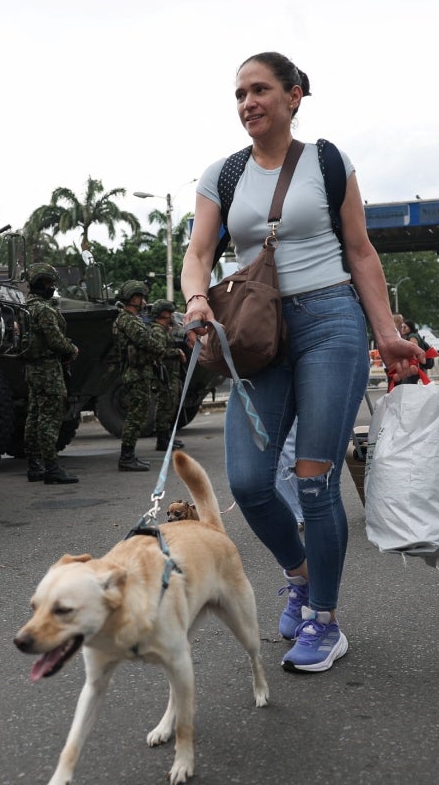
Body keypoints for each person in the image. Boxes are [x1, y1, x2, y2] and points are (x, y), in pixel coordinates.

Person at [180, 51, 422, 674]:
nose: (247, 103)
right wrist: (198, 301)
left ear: (294, 96)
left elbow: (361, 252)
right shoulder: (223, 174)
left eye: (260, 90)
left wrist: (387, 332)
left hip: (330, 323)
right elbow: (199, 251)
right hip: (257, 330)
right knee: (251, 482)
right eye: (239, 94)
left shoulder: (328, 162)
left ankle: (325, 621)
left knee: (314, 481)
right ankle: (301, 576)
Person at [23, 263, 80, 484]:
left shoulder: (25, 307)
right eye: (49, 283)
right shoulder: (44, 310)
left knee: (35, 416)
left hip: (32, 368)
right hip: (48, 369)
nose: (52, 287)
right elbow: (55, 340)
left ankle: (34, 466)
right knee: (49, 419)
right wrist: (71, 348)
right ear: (40, 284)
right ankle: (51, 468)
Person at [113, 280, 162, 472]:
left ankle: (129, 456)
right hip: (136, 374)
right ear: (134, 298)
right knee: (135, 416)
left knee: (137, 415)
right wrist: (160, 349)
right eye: (141, 297)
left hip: (139, 372)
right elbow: (144, 341)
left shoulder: (128, 319)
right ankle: (126, 457)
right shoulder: (128, 320)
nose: (144, 301)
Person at [149, 299, 186, 452]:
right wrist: (177, 352)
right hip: (165, 376)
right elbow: (159, 351)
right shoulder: (157, 331)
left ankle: (166, 437)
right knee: (165, 407)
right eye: (169, 313)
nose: (171, 316)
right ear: (163, 313)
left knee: (169, 407)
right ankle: (162, 441)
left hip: (171, 375)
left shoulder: (163, 330)